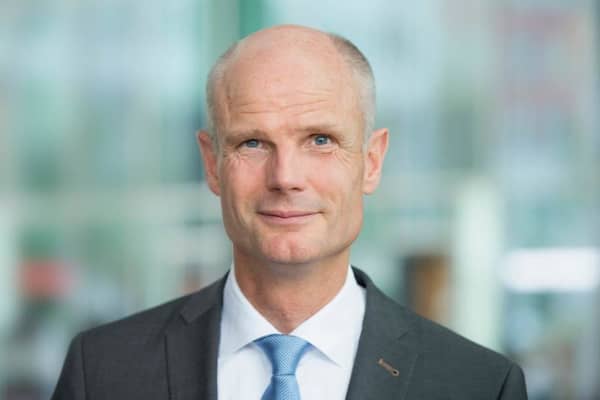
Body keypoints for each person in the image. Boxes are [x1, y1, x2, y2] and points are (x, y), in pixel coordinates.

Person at [51, 25, 527, 399]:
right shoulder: (104, 371)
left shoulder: (479, 385)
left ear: (372, 161)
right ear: (212, 164)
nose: (285, 177)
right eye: (252, 143)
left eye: (320, 140)